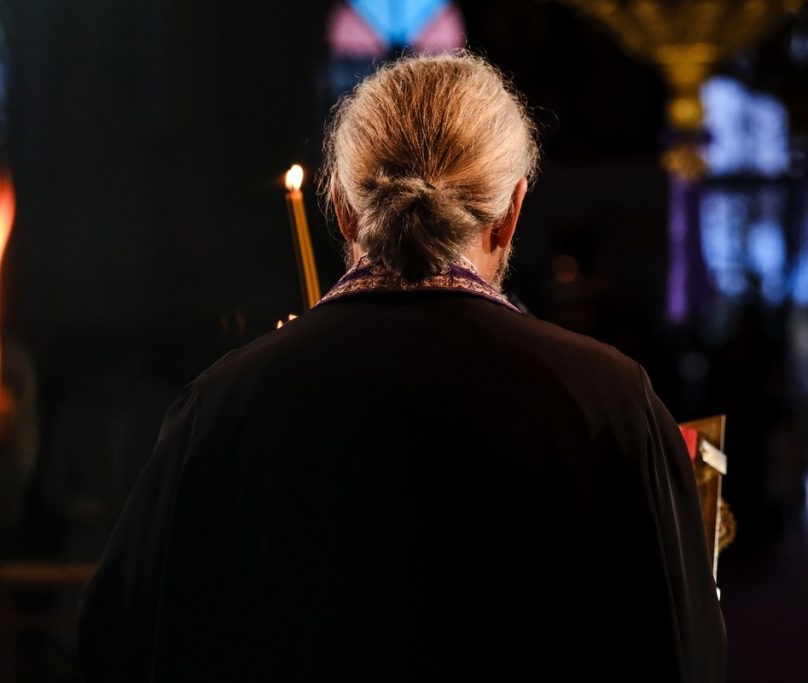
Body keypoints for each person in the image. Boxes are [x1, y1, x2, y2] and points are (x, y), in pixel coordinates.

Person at [77, 51, 726, 682]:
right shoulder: (609, 399)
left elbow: (120, 643)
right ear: (511, 212)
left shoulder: (222, 402)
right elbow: (683, 653)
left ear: (342, 208)